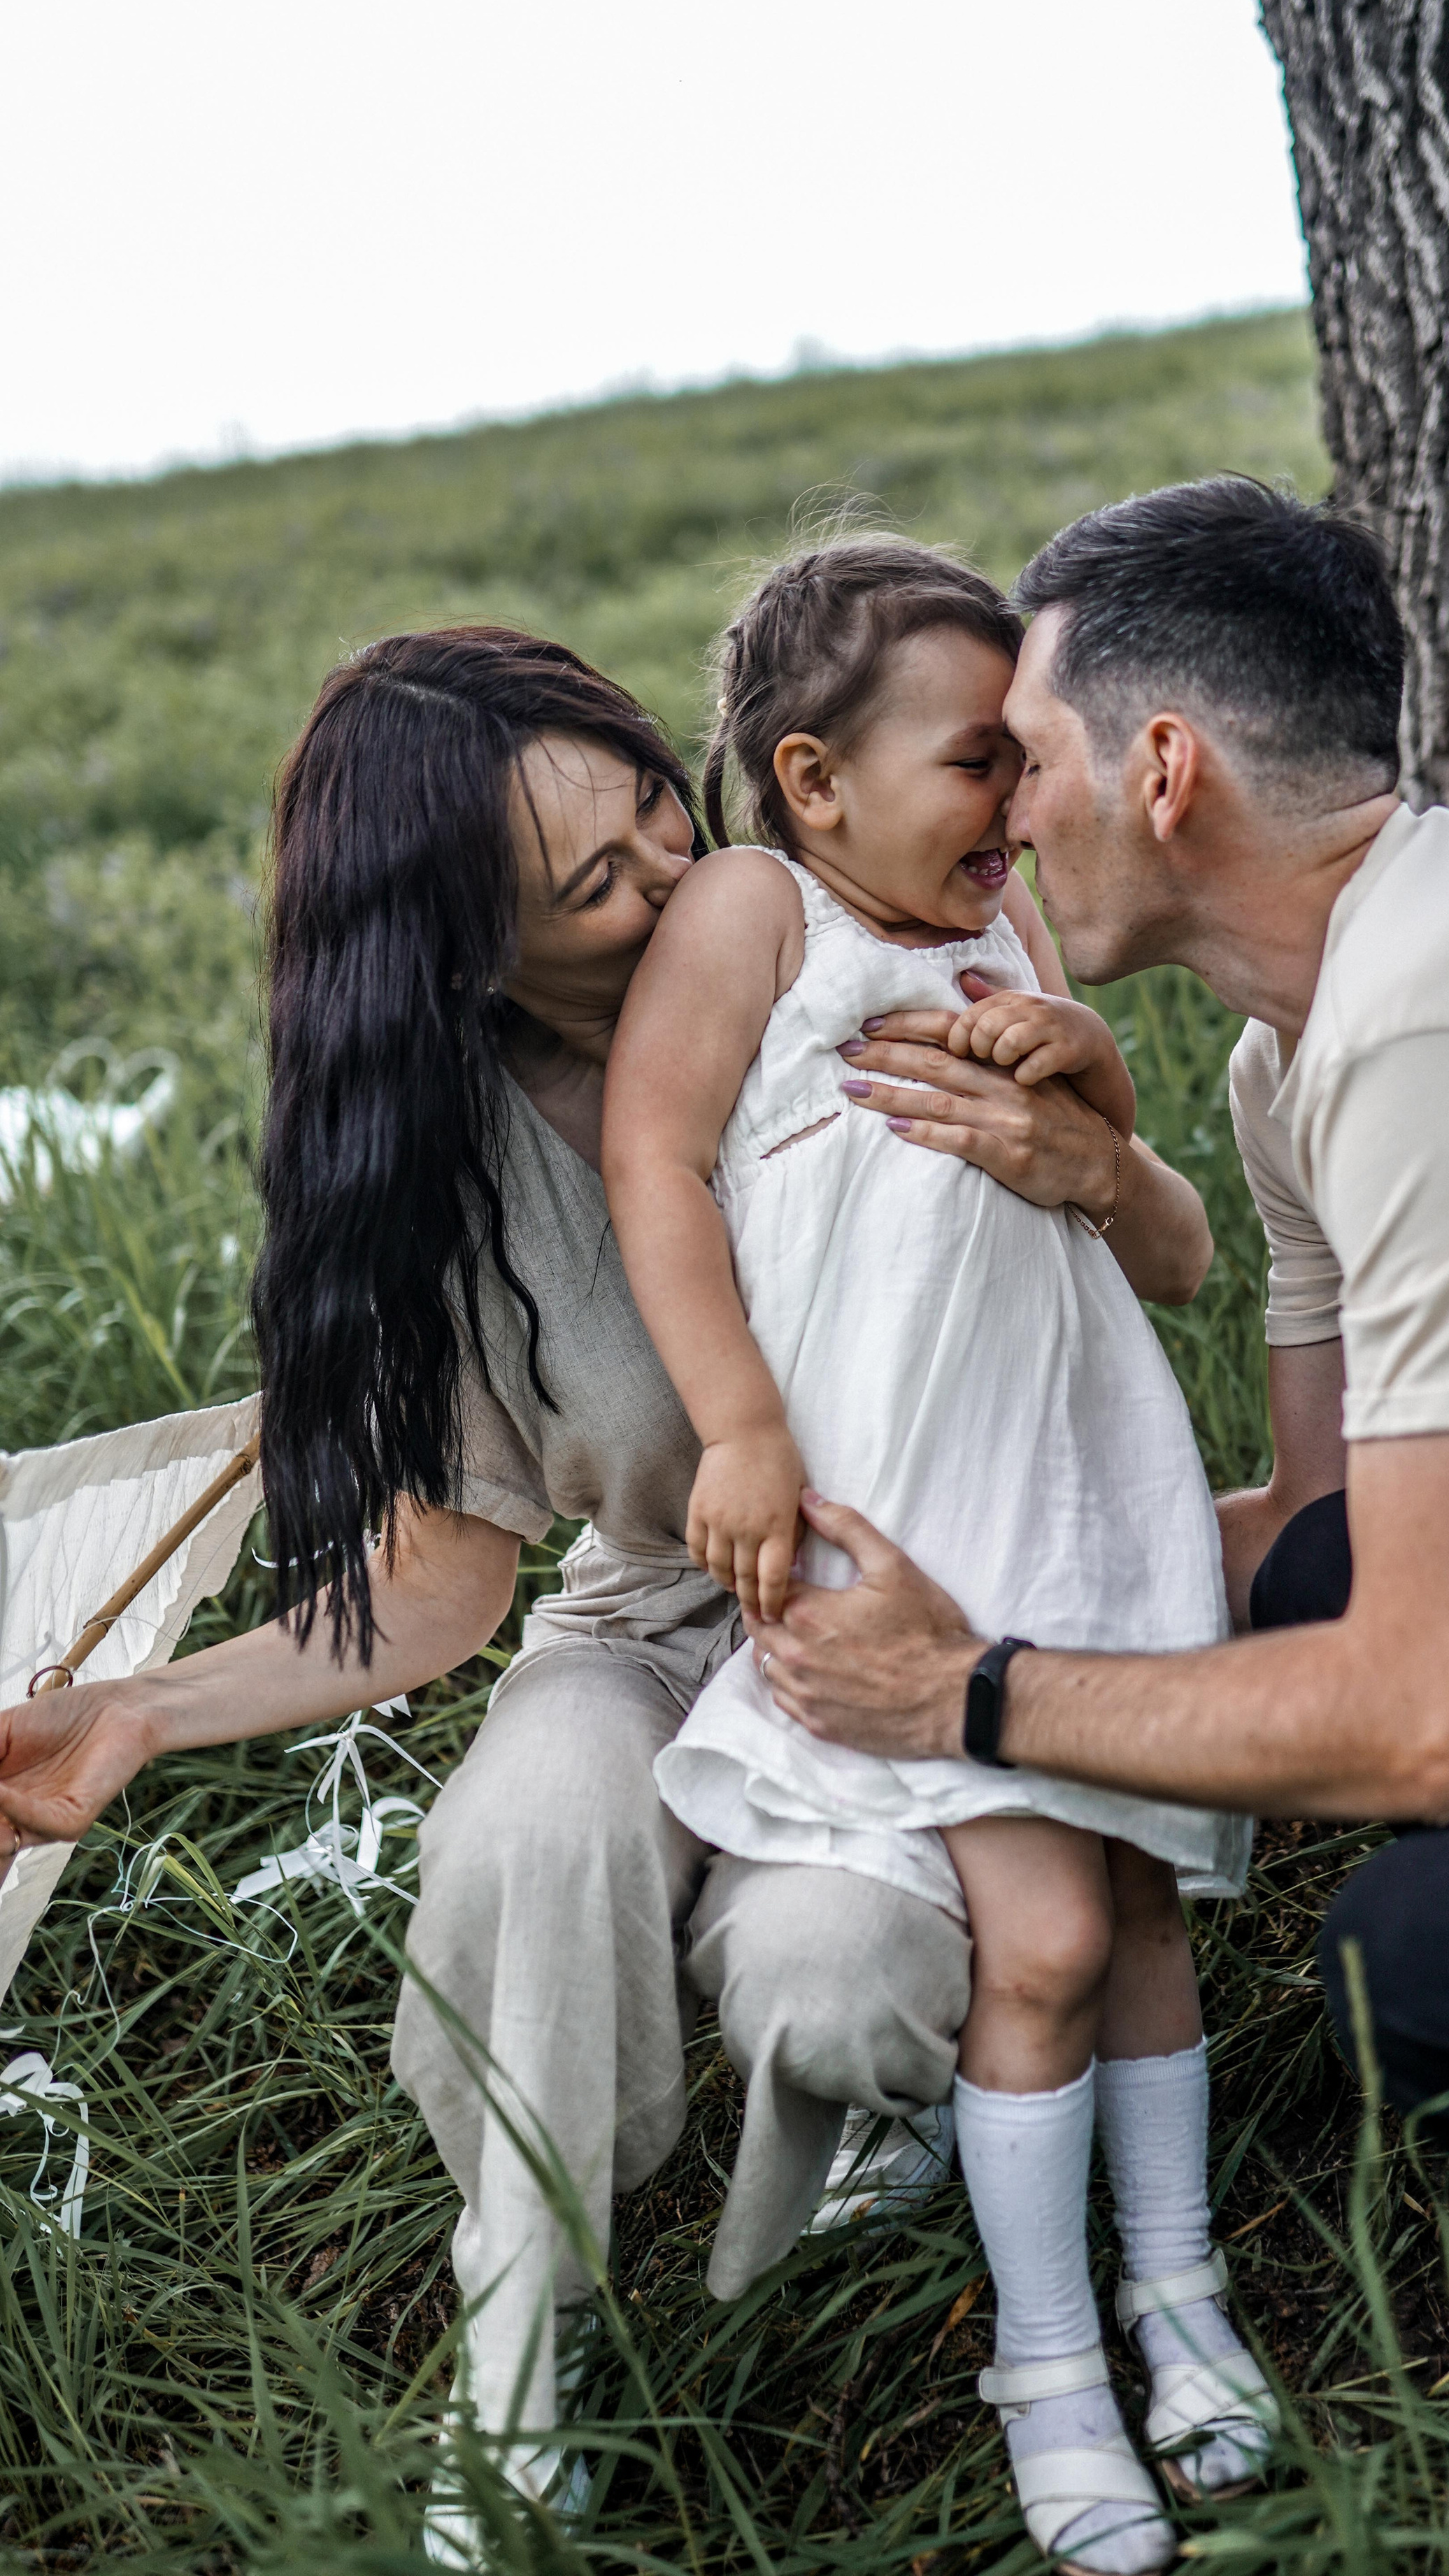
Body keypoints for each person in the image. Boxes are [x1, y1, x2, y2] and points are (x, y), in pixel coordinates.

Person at [0, 626, 1218, 2542]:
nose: (678, 880)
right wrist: (143, 1707)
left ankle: (873, 2117)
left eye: (662, 809)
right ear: (468, 955)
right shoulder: (454, 1161)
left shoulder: (846, 938)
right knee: (533, 1827)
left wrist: (1092, 1157)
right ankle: (518, 2333)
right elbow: (436, 1590)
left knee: (840, 1982)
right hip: (648, 1613)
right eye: (599, 884)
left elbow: (1164, 1255)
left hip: (912, 1603)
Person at [740, 478, 1449, 2451]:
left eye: (1024, 757)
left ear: (1161, 768)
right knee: (1315, 1582)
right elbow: (1319, 1536)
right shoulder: (1295, 1056)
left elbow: (1434, 1731)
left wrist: (964, 1691)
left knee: (1435, 1976)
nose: (1004, 816)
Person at [602, 538, 1271, 2572]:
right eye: (980, 760)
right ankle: (1047, 2364)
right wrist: (738, 1422)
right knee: (1048, 1943)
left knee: (1138, 1913)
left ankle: (1179, 2298)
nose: (1023, 803)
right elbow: (653, 1151)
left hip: (1080, 1499)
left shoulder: (1013, 945)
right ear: (812, 783)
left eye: (1030, 756)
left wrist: (1102, 1103)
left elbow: (1172, 1256)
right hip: (904, 1536)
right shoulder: (760, 912)